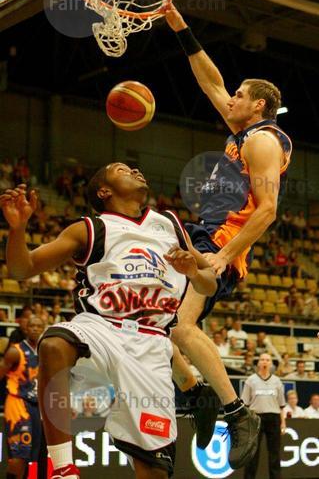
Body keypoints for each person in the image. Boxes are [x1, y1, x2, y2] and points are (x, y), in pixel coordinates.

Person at [0, 166, 218, 479]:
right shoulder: (89, 229)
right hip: (101, 328)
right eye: (123, 169)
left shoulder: (168, 223)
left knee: (154, 471)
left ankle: (193, 397)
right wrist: (18, 229)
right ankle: (63, 468)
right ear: (104, 191)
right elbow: (23, 269)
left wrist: (194, 272)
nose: (136, 170)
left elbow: (209, 283)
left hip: (152, 343)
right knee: (54, 344)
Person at [164, 3, 292, 465]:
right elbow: (209, 80)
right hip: (204, 233)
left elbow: (269, 209)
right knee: (157, 326)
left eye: (240, 95)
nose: (230, 98)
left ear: (258, 104)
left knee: (181, 327)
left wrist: (224, 255)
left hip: (222, 241)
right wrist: (180, 27)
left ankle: (239, 412)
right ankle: (197, 395)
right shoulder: (241, 130)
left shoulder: (263, 139)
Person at [0, 316, 44, 479]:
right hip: (17, 403)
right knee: (20, 455)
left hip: (35, 405)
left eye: (38, 326)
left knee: (33, 455)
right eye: (31, 325)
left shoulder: (45, 351)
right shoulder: (15, 351)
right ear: (25, 328)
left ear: (43, 328)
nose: (34, 328)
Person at [242, 353, 286, 479]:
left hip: (274, 418)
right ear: (258, 363)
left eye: (267, 360)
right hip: (255, 417)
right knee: (253, 453)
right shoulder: (251, 380)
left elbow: (281, 405)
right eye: (262, 359)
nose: (265, 362)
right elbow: (245, 403)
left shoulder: (277, 381)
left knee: (274, 453)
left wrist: (283, 423)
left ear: (271, 364)